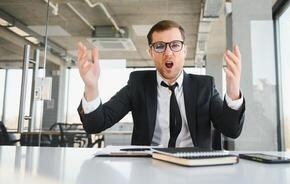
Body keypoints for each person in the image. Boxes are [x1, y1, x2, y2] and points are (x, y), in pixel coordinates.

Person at [77, 20, 245, 149]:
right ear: (151, 52)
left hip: (196, 168)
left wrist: (232, 91)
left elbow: (231, 130)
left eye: (175, 45)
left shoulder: (204, 86)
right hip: (148, 168)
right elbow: (96, 124)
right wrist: (91, 87)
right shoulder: (138, 84)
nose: (168, 52)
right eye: (159, 46)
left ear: (184, 50)